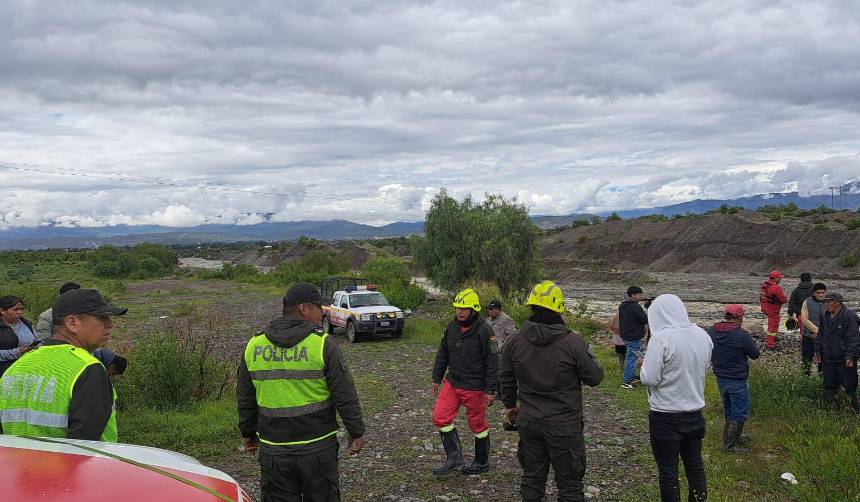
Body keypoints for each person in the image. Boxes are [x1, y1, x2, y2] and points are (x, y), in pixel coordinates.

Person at [237, 282, 365, 501]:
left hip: (274, 451)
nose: (322, 314)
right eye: (319, 308)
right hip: (318, 449)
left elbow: (245, 398)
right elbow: (344, 394)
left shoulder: (254, 345)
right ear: (304, 309)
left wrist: (248, 434)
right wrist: (356, 431)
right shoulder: (323, 344)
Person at [499, 280, 604, 501]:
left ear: (531, 306)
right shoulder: (573, 342)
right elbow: (595, 378)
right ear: (559, 308)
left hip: (529, 422)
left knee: (532, 478)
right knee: (570, 485)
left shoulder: (514, 341)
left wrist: (510, 406)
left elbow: (505, 377)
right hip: (564, 426)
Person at [0, 289, 126, 441]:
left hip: (18, 464)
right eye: (102, 318)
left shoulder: (17, 367)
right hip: (84, 464)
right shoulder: (88, 369)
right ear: (72, 323)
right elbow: (83, 446)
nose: (110, 324)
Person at [640, 294, 713, 502]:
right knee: (695, 466)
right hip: (694, 412)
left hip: (665, 415)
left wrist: (644, 365)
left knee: (669, 471)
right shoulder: (702, 335)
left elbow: (649, 378)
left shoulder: (661, 338)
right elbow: (704, 365)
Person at [431, 288, 498, 476]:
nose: (459, 312)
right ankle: (454, 458)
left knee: (478, 427)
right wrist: (437, 377)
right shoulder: (451, 328)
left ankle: (481, 462)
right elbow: (442, 352)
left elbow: (493, 361)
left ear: (473, 310)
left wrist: (491, 389)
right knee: (440, 417)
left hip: (475, 387)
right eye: (457, 308)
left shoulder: (485, 331)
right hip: (453, 383)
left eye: (463, 309)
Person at [706, 304, 760, 452]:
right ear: (739, 317)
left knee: (729, 409)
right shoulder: (741, 334)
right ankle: (730, 446)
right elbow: (755, 354)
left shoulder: (711, 330)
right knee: (740, 411)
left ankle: (732, 438)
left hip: (720, 376)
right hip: (737, 377)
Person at [814, 292, 860, 411]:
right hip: (828, 356)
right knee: (829, 384)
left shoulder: (850, 316)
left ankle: (853, 409)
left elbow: (853, 338)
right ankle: (831, 410)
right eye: (825, 302)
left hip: (844, 357)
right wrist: (818, 351)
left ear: (838, 302)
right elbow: (820, 334)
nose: (826, 305)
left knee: (849, 385)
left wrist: (850, 356)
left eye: (829, 302)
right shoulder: (824, 315)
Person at [619, 286, 649, 389]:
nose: (641, 296)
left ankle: (630, 376)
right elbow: (644, 319)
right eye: (639, 294)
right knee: (632, 358)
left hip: (627, 335)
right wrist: (648, 309)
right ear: (633, 295)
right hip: (634, 336)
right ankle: (626, 382)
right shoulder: (634, 306)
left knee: (634, 356)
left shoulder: (623, 305)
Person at [0, 296, 37, 376]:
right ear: (2, 311)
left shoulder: (26, 324)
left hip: (26, 369)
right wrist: (17, 352)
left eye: (21, 309)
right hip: (4, 372)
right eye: (15, 309)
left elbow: (36, 340)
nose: (19, 312)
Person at [800, 283, 827, 375]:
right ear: (813, 293)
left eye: (823, 292)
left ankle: (822, 378)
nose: (821, 295)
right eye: (818, 293)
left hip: (825, 337)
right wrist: (818, 331)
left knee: (823, 359)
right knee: (806, 359)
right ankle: (805, 378)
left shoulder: (829, 302)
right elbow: (804, 319)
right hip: (809, 335)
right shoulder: (807, 301)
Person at [759, 270, 788, 350]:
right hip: (772, 309)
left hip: (765, 307)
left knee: (773, 324)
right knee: (773, 325)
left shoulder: (765, 285)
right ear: (775, 278)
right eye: (779, 278)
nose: (780, 279)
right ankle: (770, 343)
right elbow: (783, 300)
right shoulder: (776, 287)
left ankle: (772, 338)